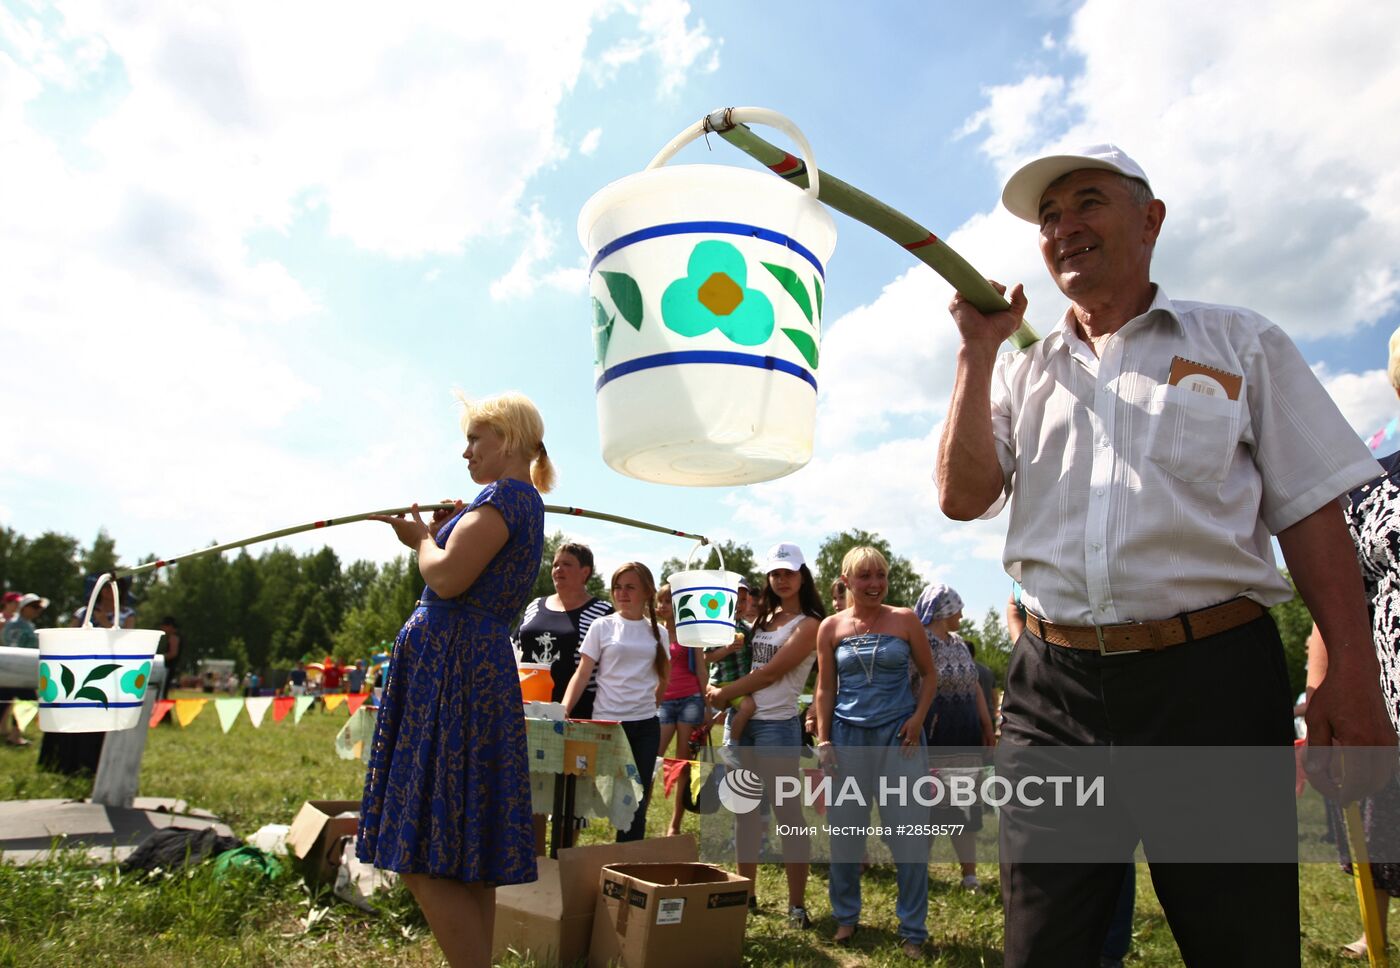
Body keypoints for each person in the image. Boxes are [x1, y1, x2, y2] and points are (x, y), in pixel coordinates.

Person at [936, 143, 1397, 966]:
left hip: (1210, 686)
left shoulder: (1239, 342)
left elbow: (1312, 512)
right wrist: (977, 352)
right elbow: (963, 497)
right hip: (1054, 693)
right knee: (1041, 948)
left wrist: (1351, 675)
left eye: (1087, 203)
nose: (1063, 228)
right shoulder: (1023, 371)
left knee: (1240, 942)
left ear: (1150, 220)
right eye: (1048, 217)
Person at [357, 390, 553, 968]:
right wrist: (448, 528)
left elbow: (445, 579)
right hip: (475, 661)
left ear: (509, 441)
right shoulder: (520, 501)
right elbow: (468, 567)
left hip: (453, 665)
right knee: (468, 849)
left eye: (475, 439)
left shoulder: (502, 496)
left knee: (418, 848)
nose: (465, 451)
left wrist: (421, 539)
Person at [1305, 326, 1400, 960]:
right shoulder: (1373, 475)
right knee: (1387, 836)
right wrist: (1322, 694)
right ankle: (1377, 932)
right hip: (1389, 706)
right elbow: (1339, 598)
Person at [813, 547, 936, 958]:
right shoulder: (830, 627)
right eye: (864, 576)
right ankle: (846, 917)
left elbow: (929, 673)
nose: (874, 583)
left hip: (899, 740)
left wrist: (918, 718)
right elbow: (825, 688)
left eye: (880, 575)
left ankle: (913, 930)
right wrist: (824, 738)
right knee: (846, 835)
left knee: (909, 837)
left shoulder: (905, 619)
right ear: (846, 581)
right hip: (847, 741)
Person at [706, 541, 824, 929]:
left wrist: (726, 693)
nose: (781, 579)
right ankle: (746, 893)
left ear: (802, 575)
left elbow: (773, 673)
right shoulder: (763, 618)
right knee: (745, 815)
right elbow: (734, 654)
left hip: (777, 727)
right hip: (744, 724)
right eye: (775, 573)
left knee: (789, 816)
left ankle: (796, 905)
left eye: (788, 572)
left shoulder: (809, 624)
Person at [562, 562, 668, 842]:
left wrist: (648, 707)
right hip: (605, 725)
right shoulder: (602, 626)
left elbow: (663, 679)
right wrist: (563, 710)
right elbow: (583, 673)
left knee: (636, 802)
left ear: (647, 591)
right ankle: (567, 856)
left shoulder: (661, 633)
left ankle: (625, 866)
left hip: (645, 728)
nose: (622, 593)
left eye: (630, 587)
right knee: (588, 794)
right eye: (617, 587)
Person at [913, 583, 994, 892]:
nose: (961, 614)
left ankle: (969, 875)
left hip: (965, 735)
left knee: (964, 808)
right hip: (934, 737)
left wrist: (986, 725)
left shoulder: (959, 643)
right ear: (944, 610)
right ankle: (918, 872)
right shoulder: (921, 643)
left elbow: (973, 686)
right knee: (930, 807)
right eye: (958, 608)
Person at [513, 541, 613, 718]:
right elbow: (514, 649)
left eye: (566, 564)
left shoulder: (604, 613)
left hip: (578, 713)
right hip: (527, 708)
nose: (558, 569)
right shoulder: (535, 605)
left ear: (585, 572)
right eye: (555, 565)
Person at [654, 582, 706, 837]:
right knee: (653, 758)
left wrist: (706, 704)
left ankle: (674, 824)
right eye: (660, 601)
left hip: (690, 700)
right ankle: (637, 813)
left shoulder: (691, 633)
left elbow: (701, 668)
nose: (662, 606)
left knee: (682, 762)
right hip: (664, 700)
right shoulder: (655, 632)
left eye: (667, 602)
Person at [1, 593, 46, 747]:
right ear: (24, 607)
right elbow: (16, 647)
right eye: (34, 607)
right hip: (18, 669)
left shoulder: (23, 624)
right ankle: (15, 735)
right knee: (28, 701)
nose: (37, 610)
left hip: (14, 669)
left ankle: (11, 732)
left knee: (5, 700)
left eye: (39, 608)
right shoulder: (18, 625)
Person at [157, 617, 183, 701]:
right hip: (171, 667)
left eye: (164, 626)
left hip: (168, 668)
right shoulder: (176, 636)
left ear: (170, 626)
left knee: (162, 693)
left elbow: (173, 653)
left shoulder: (174, 637)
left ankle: (164, 713)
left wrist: (158, 657)